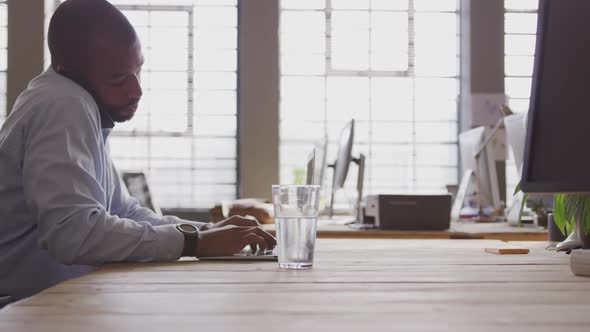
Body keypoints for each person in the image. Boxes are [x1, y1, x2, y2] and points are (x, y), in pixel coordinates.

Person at [0, 0, 275, 304]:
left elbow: (122, 211)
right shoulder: (63, 105)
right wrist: (195, 243)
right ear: (68, 68)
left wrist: (208, 231)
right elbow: (73, 233)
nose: (136, 91)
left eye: (137, 70)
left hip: (54, 303)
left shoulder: (75, 100)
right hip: (20, 309)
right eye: (118, 78)